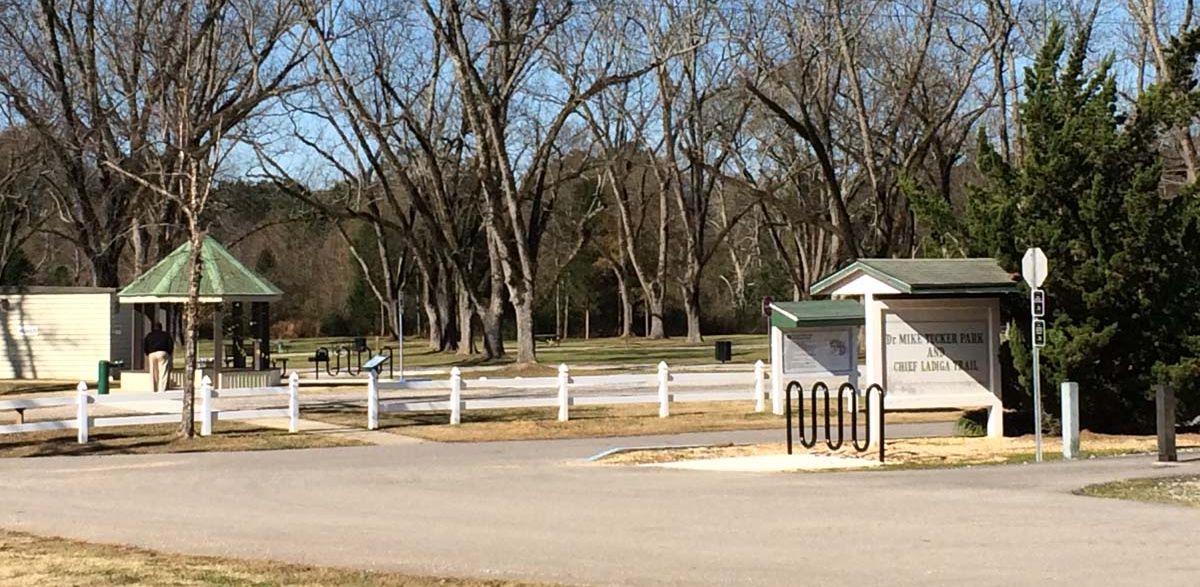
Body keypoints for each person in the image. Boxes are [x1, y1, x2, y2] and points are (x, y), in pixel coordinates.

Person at [143, 322, 174, 392]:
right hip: (163, 352)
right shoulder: (166, 335)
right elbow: (170, 344)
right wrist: (169, 353)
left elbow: (145, 345)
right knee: (163, 371)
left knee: (153, 371)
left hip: (152, 354)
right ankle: (161, 389)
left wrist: (148, 353)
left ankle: (154, 388)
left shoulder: (149, 335)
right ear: (161, 327)